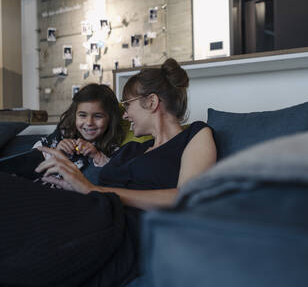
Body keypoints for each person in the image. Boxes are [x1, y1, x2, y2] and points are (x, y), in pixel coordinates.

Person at [0, 58, 216, 286]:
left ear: (152, 102)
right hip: (89, 212)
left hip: (118, 227)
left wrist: (94, 189)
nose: (124, 115)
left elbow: (187, 197)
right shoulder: (132, 149)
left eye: (128, 105)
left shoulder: (195, 134)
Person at [33, 83, 124, 175]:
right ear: (74, 115)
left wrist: (97, 156)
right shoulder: (64, 133)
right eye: (83, 115)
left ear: (111, 119)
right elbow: (34, 154)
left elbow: (114, 176)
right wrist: (57, 153)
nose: (89, 123)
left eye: (97, 116)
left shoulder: (112, 149)